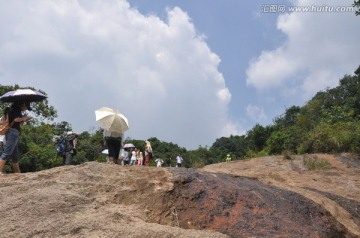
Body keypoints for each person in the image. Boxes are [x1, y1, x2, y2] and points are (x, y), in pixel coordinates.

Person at [0, 101, 32, 174]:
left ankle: (17, 172)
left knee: (15, 154)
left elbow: (15, 121)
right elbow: (16, 120)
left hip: (10, 132)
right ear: (23, 104)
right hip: (13, 133)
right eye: (26, 107)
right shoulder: (17, 109)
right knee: (7, 153)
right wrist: (24, 118)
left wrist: (23, 119)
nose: (26, 109)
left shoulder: (11, 110)